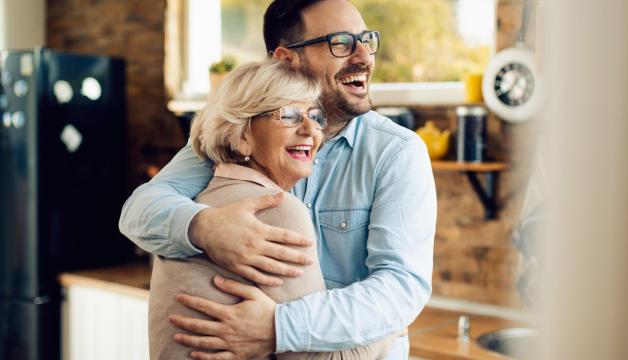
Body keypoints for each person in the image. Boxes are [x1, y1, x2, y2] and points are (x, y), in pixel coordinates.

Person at [119, 0, 437, 358]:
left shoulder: (395, 152)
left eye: (367, 40)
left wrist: (278, 327)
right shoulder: (243, 134)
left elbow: (400, 287)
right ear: (286, 59)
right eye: (341, 43)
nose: (364, 56)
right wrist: (204, 227)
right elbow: (138, 210)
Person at [149, 60, 395, 359]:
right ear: (241, 136)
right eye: (288, 115)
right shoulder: (277, 211)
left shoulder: (196, 205)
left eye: (315, 117)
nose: (309, 130)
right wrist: (390, 328)